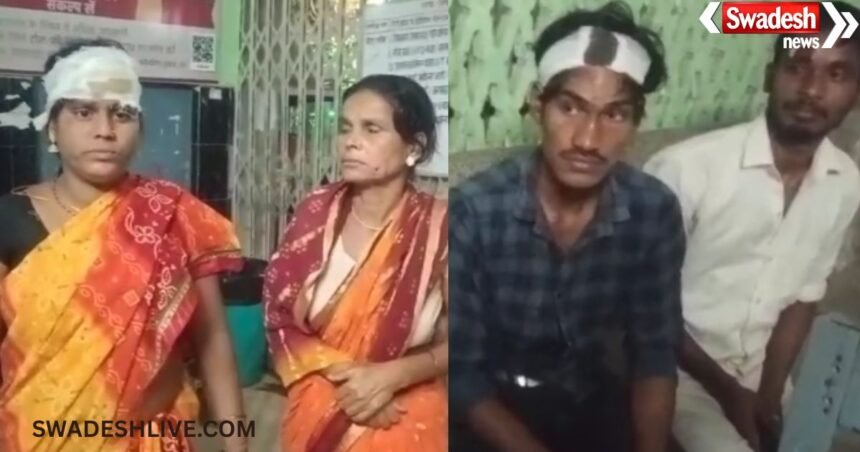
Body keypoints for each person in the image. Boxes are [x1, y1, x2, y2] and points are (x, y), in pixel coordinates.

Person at [448, 3, 684, 452]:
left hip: (593, 402)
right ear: (538, 106)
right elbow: (462, 375)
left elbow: (654, 351)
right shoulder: (475, 212)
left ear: (636, 123)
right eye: (570, 107)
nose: (587, 140)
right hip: (491, 414)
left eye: (614, 114)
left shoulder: (653, 211)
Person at [0, 39, 247, 452]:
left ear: (141, 129)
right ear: (52, 126)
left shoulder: (174, 214)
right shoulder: (8, 219)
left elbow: (213, 340)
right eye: (83, 112)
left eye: (122, 113)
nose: (105, 129)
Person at [643, 3, 860, 451]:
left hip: (763, 375)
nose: (811, 89)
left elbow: (804, 297)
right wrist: (729, 393)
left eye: (836, 74)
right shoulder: (686, 170)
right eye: (796, 67)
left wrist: (770, 395)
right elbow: (641, 309)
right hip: (674, 372)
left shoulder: (846, 182)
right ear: (768, 76)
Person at [264, 74, 448, 452]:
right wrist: (354, 386)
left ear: (414, 146)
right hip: (318, 394)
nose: (350, 141)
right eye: (345, 128)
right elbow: (278, 317)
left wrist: (393, 377)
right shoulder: (315, 214)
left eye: (371, 129)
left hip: (407, 403)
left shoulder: (439, 229)